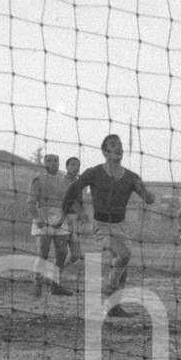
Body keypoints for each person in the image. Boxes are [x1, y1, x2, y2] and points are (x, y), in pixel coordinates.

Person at [61, 134, 156, 318]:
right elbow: (73, 189)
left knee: (123, 265)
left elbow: (150, 200)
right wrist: (64, 213)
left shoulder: (131, 177)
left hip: (122, 226)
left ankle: (114, 307)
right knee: (124, 255)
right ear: (105, 152)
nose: (118, 148)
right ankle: (107, 288)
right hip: (102, 225)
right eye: (113, 145)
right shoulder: (94, 172)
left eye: (120, 145)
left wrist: (144, 190)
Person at [29, 154, 75, 297]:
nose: (53, 163)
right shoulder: (38, 179)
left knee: (62, 253)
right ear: (44, 163)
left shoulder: (64, 181)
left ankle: (55, 285)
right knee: (43, 252)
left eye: (55, 161)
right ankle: (37, 285)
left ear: (59, 163)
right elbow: (31, 202)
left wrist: (64, 218)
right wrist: (37, 217)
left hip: (60, 217)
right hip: (44, 215)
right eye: (49, 161)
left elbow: (68, 203)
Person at [63, 156, 86, 267]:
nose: (75, 167)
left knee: (76, 255)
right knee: (61, 252)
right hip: (63, 218)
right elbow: (68, 200)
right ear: (66, 167)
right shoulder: (62, 181)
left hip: (75, 220)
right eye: (72, 164)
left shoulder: (79, 183)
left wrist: (81, 214)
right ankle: (53, 278)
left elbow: (80, 201)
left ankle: (56, 271)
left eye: (78, 165)